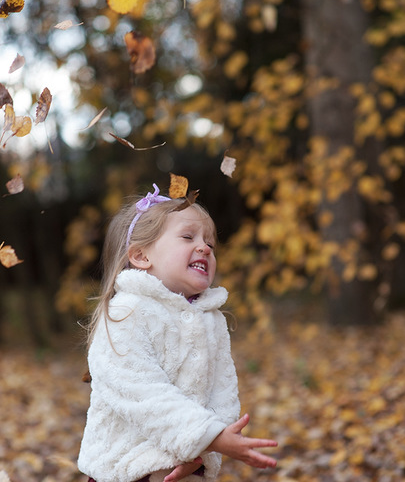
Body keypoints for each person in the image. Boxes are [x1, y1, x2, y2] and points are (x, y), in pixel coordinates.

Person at [77, 184, 278, 482]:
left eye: (210, 243)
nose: (205, 247)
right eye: (188, 237)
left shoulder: (211, 319)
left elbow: (222, 391)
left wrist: (205, 452)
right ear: (141, 256)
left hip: (186, 468)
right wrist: (208, 436)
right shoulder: (126, 312)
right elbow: (141, 392)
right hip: (126, 470)